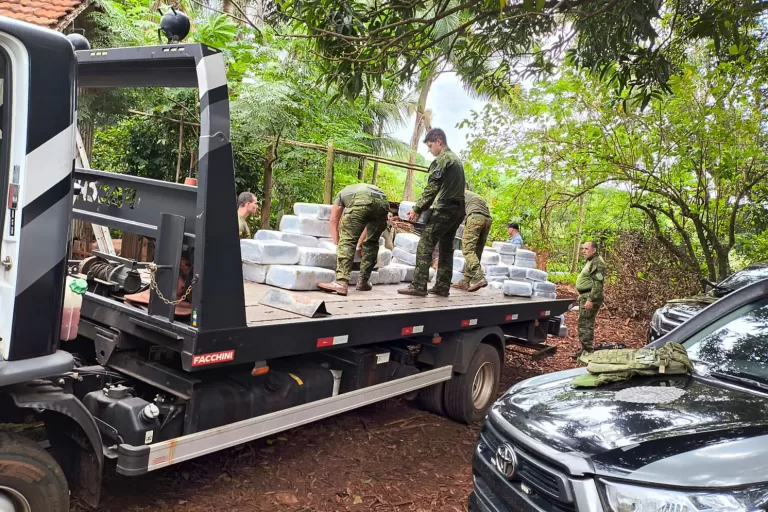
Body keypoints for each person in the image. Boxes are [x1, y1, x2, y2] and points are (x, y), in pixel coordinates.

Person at [398, 128, 465, 297]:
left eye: (429, 146)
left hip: (446, 208)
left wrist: (417, 208)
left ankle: (418, 285)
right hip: (458, 210)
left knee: (425, 243)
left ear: (438, 142)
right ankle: (442, 286)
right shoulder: (456, 160)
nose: (429, 150)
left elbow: (432, 188)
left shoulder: (443, 159)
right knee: (446, 247)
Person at [318, 183, 389, 296]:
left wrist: (338, 242)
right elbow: (367, 228)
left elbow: (334, 219)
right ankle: (363, 282)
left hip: (362, 201)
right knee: (372, 243)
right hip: (383, 203)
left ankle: (341, 283)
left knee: (348, 241)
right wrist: (360, 244)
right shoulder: (360, 189)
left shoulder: (341, 194)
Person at [453, 186, 492, 292]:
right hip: (488, 219)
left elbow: (457, 214)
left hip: (475, 217)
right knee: (477, 251)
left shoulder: (457, 193)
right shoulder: (473, 195)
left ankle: (479, 277)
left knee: (468, 249)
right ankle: (465, 281)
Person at [573, 241, 607, 360]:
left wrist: (590, 299)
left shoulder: (597, 263)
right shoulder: (591, 261)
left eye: (586, 249)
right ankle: (584, 349)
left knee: (586, 325)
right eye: (583, 249)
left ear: (594, 250)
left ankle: (587, 352)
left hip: (590, 297)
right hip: (585, 296)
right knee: (584, 324)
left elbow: (598, 284)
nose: (583, 251)